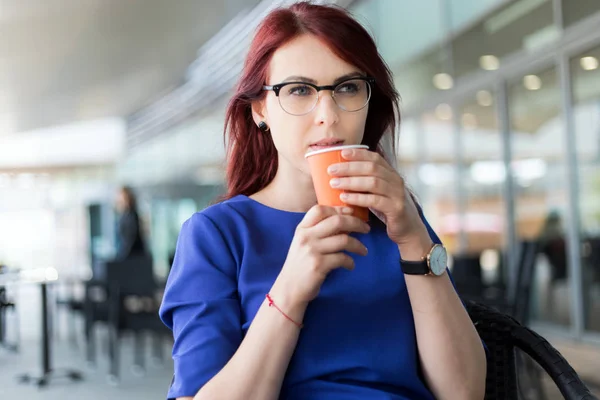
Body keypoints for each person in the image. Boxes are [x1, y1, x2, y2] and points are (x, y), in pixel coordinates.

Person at [159, 3, 486, 399]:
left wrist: (415, 239)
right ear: (260, 108)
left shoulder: (399, 219)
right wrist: (290, 289)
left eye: (348, 87)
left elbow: (464, 392)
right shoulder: (217, 235)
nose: (328, 116)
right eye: (299, 90)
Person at [114, 186, 146, 261]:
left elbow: (130, 238)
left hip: (133, 257)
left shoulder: (131, 215)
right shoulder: (123, 216)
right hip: (128, 256)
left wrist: (122, 256)